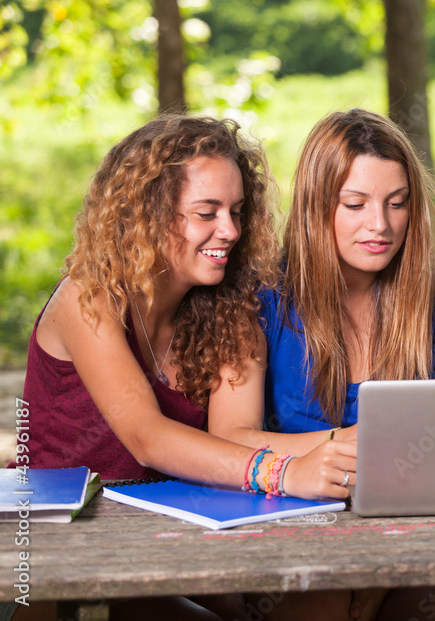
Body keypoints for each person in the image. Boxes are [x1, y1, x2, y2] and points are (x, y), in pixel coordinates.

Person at [11, 116, 352, 621]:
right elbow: (148, 437)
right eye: (205, 213)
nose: (230, 231)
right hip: (63, 550)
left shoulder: (230, 306)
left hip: (174, 537)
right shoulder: (89, 296)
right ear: (146, 215)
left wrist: (350, 443)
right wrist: (287, 472)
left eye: (237, 211)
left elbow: (235, 436)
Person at [208, 108, 435, 621]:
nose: (379, 225)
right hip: (287, 526)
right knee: (323, 599)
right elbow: (226, 436)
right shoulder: (258, 297)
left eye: (396, 204)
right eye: (354, 204)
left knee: (427, 602)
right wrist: (344, 445)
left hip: (414, 537)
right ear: (316, 207)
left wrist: (376, 581)